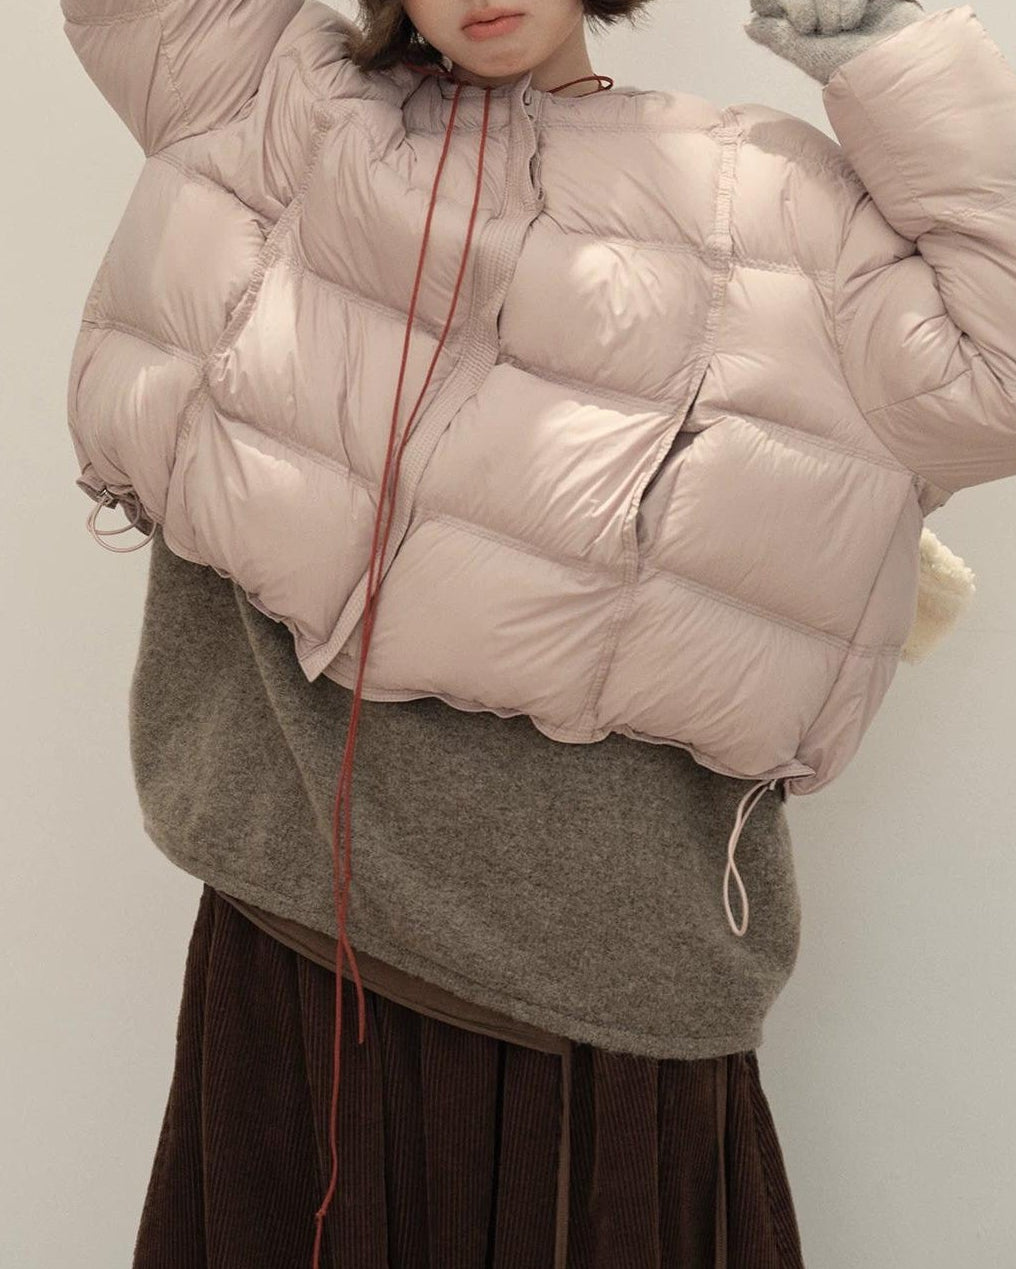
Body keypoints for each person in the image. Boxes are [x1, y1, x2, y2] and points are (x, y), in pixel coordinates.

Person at [58, 0, 1013, 1265]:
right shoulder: (281, 107)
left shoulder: (770, 201)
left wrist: (868, 25)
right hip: (290, 934)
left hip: (598, 992)